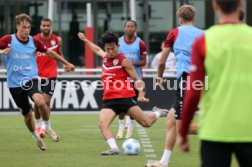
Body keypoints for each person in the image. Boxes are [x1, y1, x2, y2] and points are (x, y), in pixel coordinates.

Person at [0, 13, 74, 151]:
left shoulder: (34, 41)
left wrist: (66, 62)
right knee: (27, 116)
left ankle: (47, 127)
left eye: (28, 27)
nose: (26, 30)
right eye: (23, 27)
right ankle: (36, 137)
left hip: (31, 79)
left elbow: (49, 52)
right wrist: (0, 51)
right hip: (14, 84)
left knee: (40, 101)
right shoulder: (8, 39)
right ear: (17, 26)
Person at [178, 1, 252, 167]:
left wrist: (183, 131)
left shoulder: (203, 41)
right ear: (241, 4)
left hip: (215, 130)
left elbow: (194, 91)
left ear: (214, 6)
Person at [78, 31, 164, 155]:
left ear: (118, 46)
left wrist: (140, 94)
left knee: (146, 123)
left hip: (125, 98)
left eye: (113, 48)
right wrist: (85, 39)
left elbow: (137, 79)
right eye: (107, 49)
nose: (110, 51)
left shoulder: (124, 60)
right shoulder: (106, 57)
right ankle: (114, 148)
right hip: (109, 100)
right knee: (103, 124)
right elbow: (96, 49)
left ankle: (158, 112)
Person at [146, 5, 204, 167]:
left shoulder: (175, 32)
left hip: (187, 79)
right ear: (194, 18)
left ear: (180, 19)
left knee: (182, 128)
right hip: (201, 79)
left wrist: (159, 77)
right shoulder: (204, 34)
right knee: (170, 121)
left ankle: (221, 130)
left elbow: (162, 60)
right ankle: (163, 162)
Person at [116, 20, 152, 140]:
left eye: (132, 27)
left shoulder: (140, 43)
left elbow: (144, 62)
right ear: (124, 28)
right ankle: (121, 127)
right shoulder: (119, 42)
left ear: (135, 29)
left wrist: (130, 63)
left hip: (136, 79)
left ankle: (130, 127)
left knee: (132, 106)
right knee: (120, 106)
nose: (130, 28)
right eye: (128, 26)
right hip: (121, 79)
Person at [33, 18, 64, 141]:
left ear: (51, 26)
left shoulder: (57, 40)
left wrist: (65, 64)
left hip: (51, 74)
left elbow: (59, 54)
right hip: (36, 75)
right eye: (44, 25)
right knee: (37, 102)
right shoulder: (34, 40)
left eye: (48, 25)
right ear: (40, 26)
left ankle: (45, 128)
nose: (46, 27)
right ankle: (38, 125)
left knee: (45, 101)